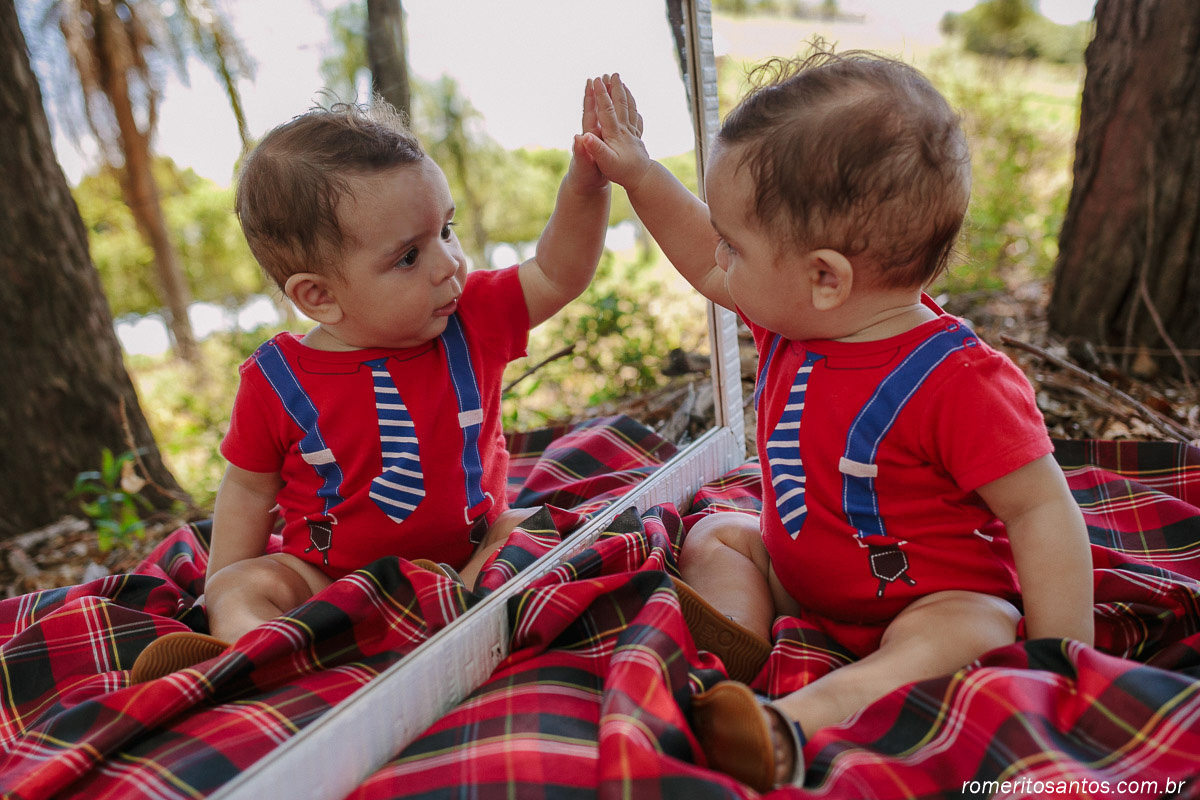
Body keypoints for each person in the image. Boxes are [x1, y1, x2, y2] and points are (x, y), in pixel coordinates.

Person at [581, 52, 1094, 792]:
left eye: (738, 246)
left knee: (974, 624)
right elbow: (699, 253)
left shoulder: (961, 381)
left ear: (826, 276)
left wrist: (1060, 659)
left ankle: (806, 713)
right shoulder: (792, 320)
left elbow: (1042, 511)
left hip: (925, 601)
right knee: (721, 532)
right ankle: (733, 662)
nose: (721, 259)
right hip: (805, 581)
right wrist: (639, 173)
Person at [130, 84, 620, 682]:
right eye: (408, 257)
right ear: (320, 296)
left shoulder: (472, 319)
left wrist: (587, 184)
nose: (449, 263)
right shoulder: (278, 381)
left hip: (470, 559)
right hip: (328, 582)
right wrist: (224, 586)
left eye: (446, 229)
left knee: (532, 531)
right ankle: (250, 659)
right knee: (240, 585)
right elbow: (249, 491)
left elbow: (557, 271)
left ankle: (450, 629)